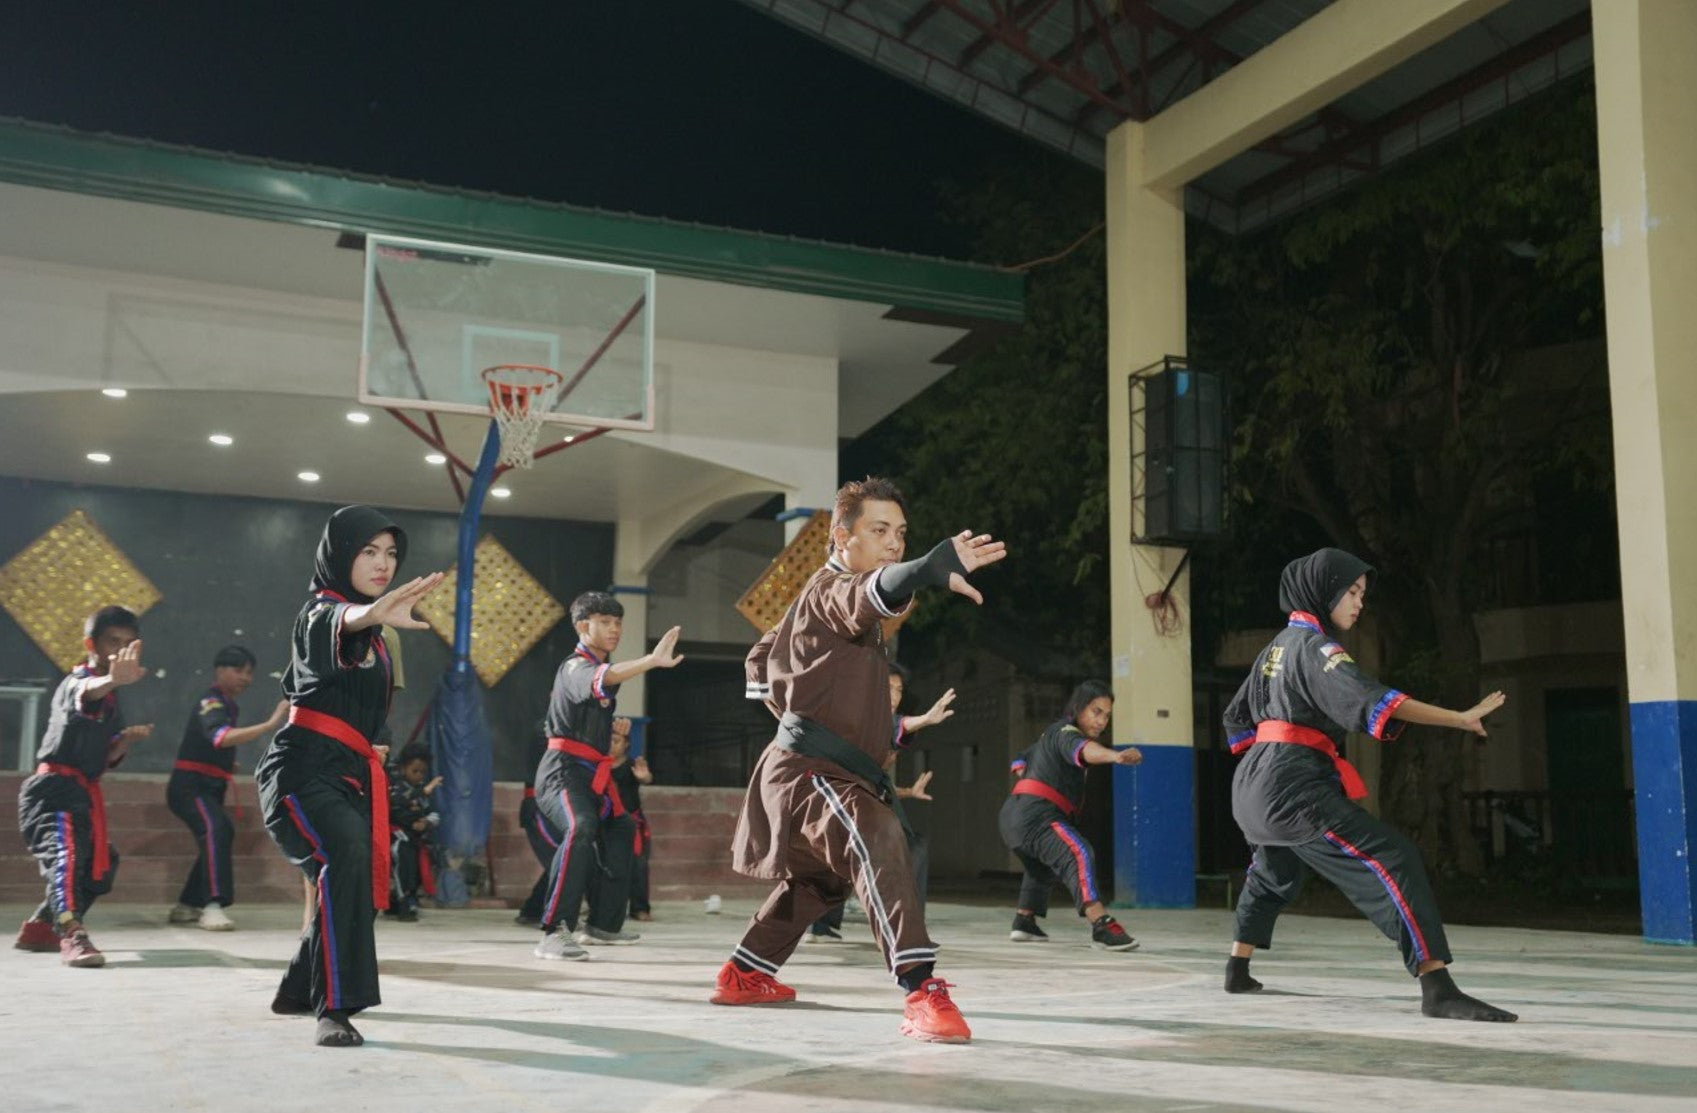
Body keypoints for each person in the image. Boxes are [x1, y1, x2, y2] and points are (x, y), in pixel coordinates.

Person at [715, 476, 1005, 1045]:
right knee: (878, 837)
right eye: (879, 530)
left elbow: (760, 658)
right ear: (842, 537)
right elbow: (872, 591)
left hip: (821, 769)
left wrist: (786, 705)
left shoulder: (816, 608)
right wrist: (923, 567)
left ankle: (744, 973)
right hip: (812, 775)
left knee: (820, 882)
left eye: (901, 533)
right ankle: (921, 990)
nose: (894, 542)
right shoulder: (831, 590)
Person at [1222, 547, 1517, 1022]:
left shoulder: (1273, 650)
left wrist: (1267, 765)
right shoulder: (1316, 647)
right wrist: (1458, 718)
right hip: (1290, 784)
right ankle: (1437, 986)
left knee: (1275, 868)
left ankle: (1237, 967)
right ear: (1323, 592)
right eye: (1352, 592)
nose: (1359, 603)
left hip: (1253, 783)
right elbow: (1373, 700)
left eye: (1362, 594)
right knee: (1394, 857)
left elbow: (1236, 717)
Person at [256, 504, 443, 1047]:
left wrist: (375, 744)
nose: (383, 563)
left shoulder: (380, 639)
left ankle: (298, 988)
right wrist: (368, 614)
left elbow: (371, 705)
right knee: (348, 856)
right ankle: (333, 1009)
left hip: (350, 775)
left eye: (391, 553)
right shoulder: (319, 612)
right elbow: (338, 623)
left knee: (359, 876)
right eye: (368, 552)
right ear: (340, 556)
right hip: (300, 770)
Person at [532, 593, 683, 960]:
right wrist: (650, 660)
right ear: (583, 626)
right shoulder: (574, 667)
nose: (615, 629)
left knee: (622, 828)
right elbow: (604, 678)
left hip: (591, 775)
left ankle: (602, 924)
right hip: (562, 773)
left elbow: (601, 689)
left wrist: (608, 733)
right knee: (581, 827)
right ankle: (554, 931)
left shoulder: (600, 669)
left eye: (618, 623)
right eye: (605, 622)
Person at [14, 606, 154, 966]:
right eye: (112, 642)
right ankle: (71, 932)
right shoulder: (78, 681)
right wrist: (111, 681)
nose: (119, 651)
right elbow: (86, 692)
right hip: (52, 790)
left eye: (127, 644)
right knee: (68, 857)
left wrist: (125, 741)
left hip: (81, 793)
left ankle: (41, 927)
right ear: (91, 644)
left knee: (101, 865)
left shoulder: (112, 697)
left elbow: (104, 756)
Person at [805, 662, 947, 943]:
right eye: (887, 688)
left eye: (899, 689)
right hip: (843, 801)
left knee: (846, 857)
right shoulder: (865, 717)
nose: (894, 696)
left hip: (852, 801)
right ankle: (908, 933)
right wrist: (925, 719)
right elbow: (897, 725)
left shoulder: (862, 722)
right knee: (911, 849)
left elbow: (873, 776)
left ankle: (822, 925)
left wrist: (908, 792)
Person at [1001, 680, 1142, 949]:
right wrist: (1115, 757)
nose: (1101, 721)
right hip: (1036, 815)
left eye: (1107, 715)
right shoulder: (1067, 733)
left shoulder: (1050, 734)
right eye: (1096, 711)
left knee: (1041, 865)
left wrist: (1030, 776)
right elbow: (1083, 750)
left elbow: (1020, 759)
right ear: (1078, 707)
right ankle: (1101, 925)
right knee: (1078, 851)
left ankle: (1024, 921)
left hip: (1013, 816)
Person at [166, 645, 287, 931]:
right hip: (190, 787)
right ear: (219, 670)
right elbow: (220, 737)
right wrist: (270, 724)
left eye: (249, 672)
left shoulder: (228, 704)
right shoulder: (211, 702)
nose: (245, 678)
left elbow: (212, 745)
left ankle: (187, 904)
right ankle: (213, 905)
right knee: (217, 829)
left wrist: (223, 764)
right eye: (238, 670)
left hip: (209, 786)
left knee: (220, 832)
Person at [386, 742, 443, 921]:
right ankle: (404, 902)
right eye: (415, 771)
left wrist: (426, 822)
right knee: (404, 863)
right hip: (397, 838)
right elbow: (394, 808)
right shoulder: (395, 787)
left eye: (422, 772)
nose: (419, 775)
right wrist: (413, 819)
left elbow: (434, 814)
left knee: (419, 869)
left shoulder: (423, 792)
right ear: (404, 768)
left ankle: (398, 901)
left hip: (417, 840)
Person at [609, 729, 654, 921]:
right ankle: (603, 907)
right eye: (609, 741)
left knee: (639, 865)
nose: (612, 745)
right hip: (607, 824)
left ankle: (639, 908)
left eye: (616, 741)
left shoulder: (632, 765)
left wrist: (644, 777)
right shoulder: (599, 765)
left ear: (626, 744)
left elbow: (646, 778)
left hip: (632, 824)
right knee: (605, 866)